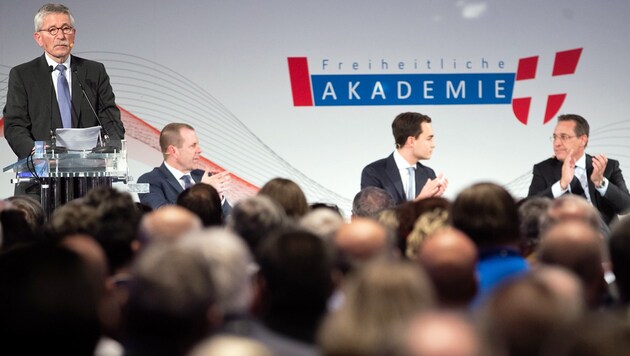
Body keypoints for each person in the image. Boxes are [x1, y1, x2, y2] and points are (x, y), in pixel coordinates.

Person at [3, 4, 124, 196]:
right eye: (52, 30)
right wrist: (36, 152)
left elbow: (110, 119)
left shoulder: (94, 71)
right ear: (38, 38)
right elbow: (14, 126)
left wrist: (114, 147)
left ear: (74, 34)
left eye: (66, 28)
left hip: (90, 184)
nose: (60, 35)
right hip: (39, 182)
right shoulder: (23, 75)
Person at [528, 114, 630, 225]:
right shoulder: (543, 169)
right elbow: (529, 210)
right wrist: (562, 185)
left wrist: (600, 183)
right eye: (555, 137)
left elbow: (626, 207)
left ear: (582, 140)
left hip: (602, 237)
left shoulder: (607, 166)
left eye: (564, 137)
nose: (556, 143)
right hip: (563, 237)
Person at [137, 123, 232, 213]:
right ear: (173, 151)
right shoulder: (145, 181)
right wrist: (201, 191)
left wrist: (219, 198)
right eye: (192, 146)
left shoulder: (204, 176)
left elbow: (231, 220)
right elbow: (164, 216)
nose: (200, 150)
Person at [361, 112, 448, 205]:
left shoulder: (428, 174)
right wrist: (420, 200)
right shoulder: (374, 172)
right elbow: (374, 214)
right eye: (428, 139)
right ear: (411, 141)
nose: (433, 145)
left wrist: (434, 202)